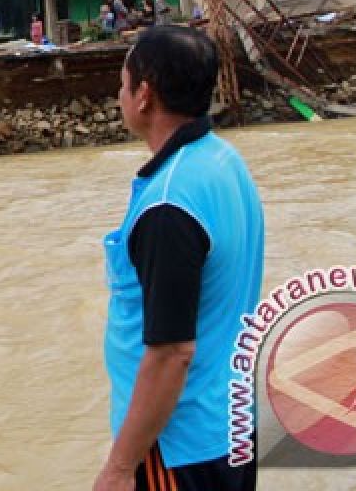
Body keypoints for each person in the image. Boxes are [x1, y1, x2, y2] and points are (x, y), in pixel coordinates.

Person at [94, 26, 263, 491]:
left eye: (123, 81)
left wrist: (120, 467)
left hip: (178, 446)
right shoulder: (223, 161)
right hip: (230, 426)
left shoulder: (168, 205)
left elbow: (171, 353)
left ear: (143, 95)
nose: (119, 93)